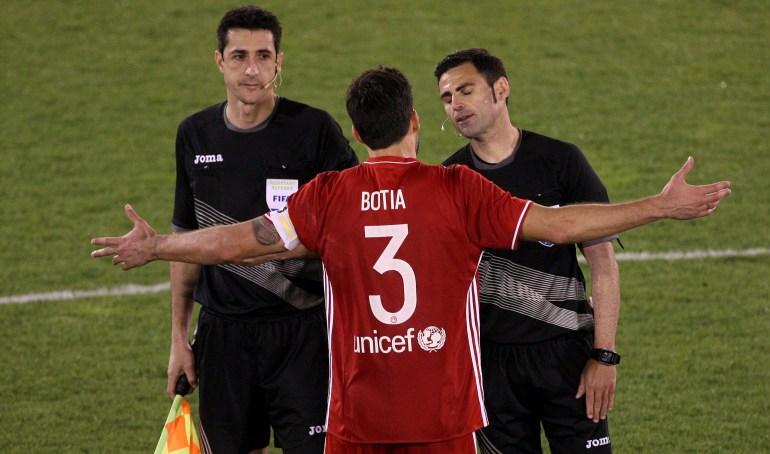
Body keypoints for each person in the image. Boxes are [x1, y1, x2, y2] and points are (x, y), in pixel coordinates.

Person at [91, 67, 730, 454]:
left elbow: (239, 239)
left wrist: (158, 246)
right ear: (416, 121)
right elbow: (562, 224)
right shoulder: (458, 190)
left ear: (357, 133)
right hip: (443, 416)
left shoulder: (328, 196)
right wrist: (659, 206)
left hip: (356, 417)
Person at [167, 6, 357, 453]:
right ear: (219, 61)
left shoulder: (314, 131)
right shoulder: (194, 135)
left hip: (303, 332)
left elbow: (354, 226)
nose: (252, 70)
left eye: (263, 56)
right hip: (224, 336)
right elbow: (185, 241)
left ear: (279, 61)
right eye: (239, 56)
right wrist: (178, 338)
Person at [435, 48, 619, 453]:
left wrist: (604, 356)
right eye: (447, 98)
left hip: (567, 356)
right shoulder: (449, 181)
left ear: (501, 88)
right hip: (492, 364)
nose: (456, 105)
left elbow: (604, 264)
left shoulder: (560, 161)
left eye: (465, 90)